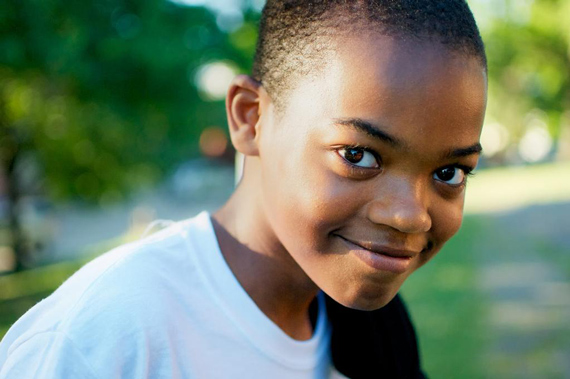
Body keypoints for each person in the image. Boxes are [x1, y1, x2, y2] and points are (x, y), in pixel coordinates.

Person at [0, 1, 487, 378]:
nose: (409, 216)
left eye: (449, 173)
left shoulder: (378, 337)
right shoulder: (108, 339)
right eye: (357, 155)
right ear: (251, 118)